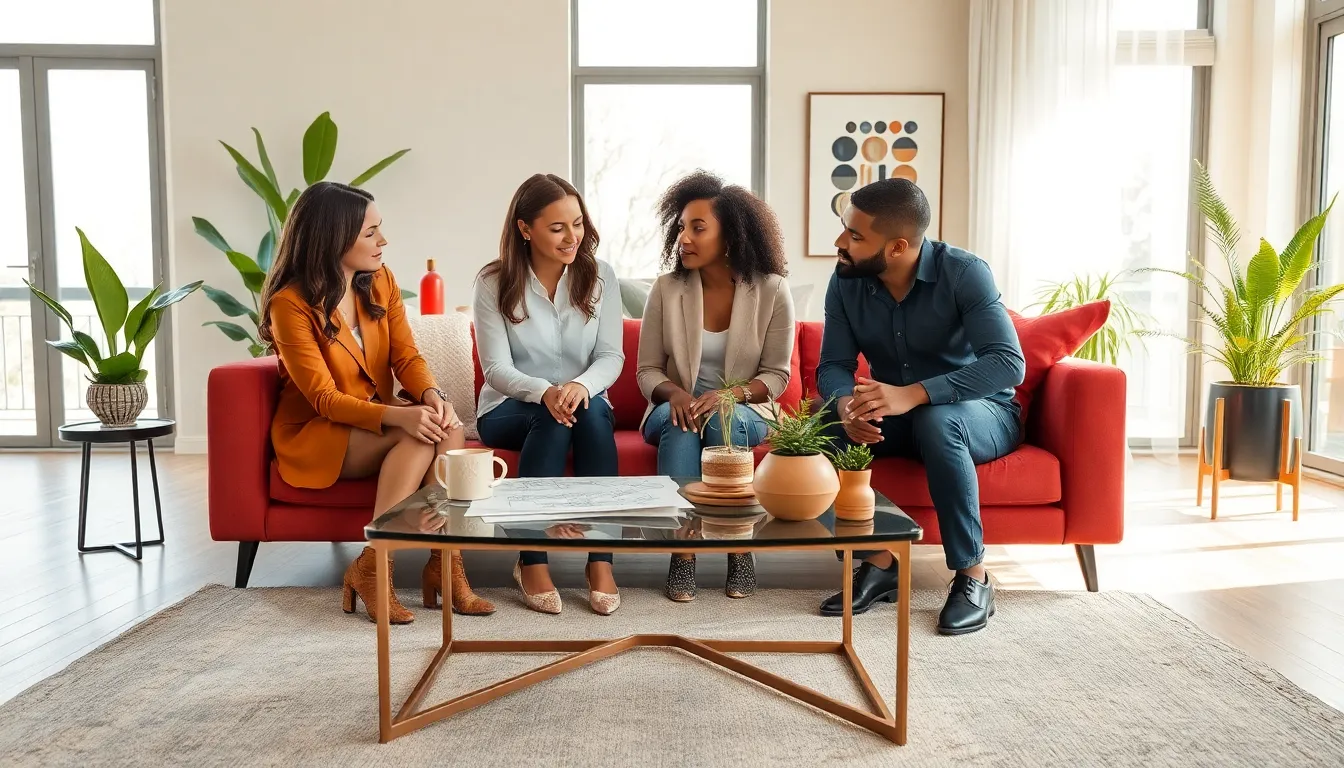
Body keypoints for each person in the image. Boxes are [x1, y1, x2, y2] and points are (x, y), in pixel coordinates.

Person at [259, 181, 494, 625]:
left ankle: (446, 565)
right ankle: (377, 566)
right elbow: (326, 399)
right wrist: (400, 416)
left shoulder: (380, 281)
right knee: (420, 437)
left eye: (380, 230)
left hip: (373, 419)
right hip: (320, 432)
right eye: (370, 233)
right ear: (333, 236)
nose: (383, 241)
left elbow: (406, 355)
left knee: (449, 429)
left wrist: (432, 395)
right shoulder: (289, 305)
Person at [816, 178, 1025, 635]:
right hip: (899, 415)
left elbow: (1008, 365)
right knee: (820, 429)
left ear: (897, 247)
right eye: (844, 230)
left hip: (980, 412)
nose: (840, 243)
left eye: (855, 236)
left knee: (938, 419)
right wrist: (848, 407)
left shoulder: (965, 272)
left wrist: (912, 393)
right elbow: (833, 365)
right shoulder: (846, 282)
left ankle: (974, 577)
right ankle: (877, 562)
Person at [636, 170, 795, 602]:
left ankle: (737, 546)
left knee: (724, 418)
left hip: (744, 410)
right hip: (674, 409)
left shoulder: (772, 290)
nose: (684, 237)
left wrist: (730, 395)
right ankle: (683, 552)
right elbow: (647, 370)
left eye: (698, 227)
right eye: (682, 226)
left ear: (731, 237)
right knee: (683, 422)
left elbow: (777, 376)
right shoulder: (667, 290)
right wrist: (677, 394)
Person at [473, 173, 625, 616]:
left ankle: (601, 560)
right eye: (557, 227)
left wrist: (578, 387)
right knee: (552, 417)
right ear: (525, 228)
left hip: (584, 401)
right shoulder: (493, 282)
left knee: (589, 415)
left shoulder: (600, 277)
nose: (571, 236)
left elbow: (611, 356)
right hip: (508, 408)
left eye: (577, 224)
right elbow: (497, 369)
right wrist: (545, 392)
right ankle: (531, 558)